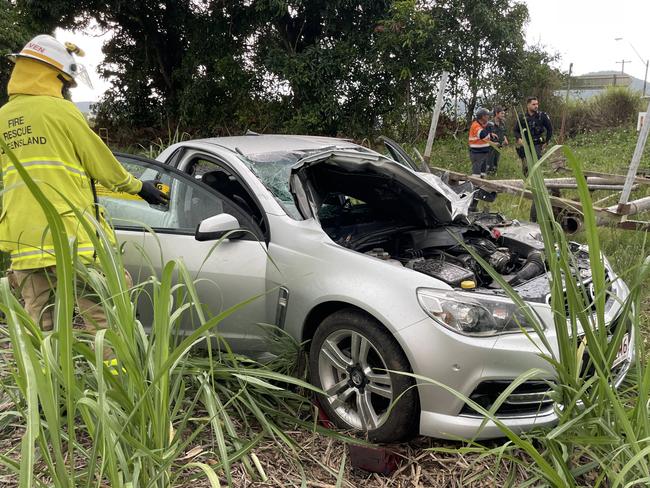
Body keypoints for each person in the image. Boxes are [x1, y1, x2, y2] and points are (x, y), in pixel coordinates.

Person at [0, 35, 168, 336]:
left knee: (39, 326)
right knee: (105, 319)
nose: (66, 89)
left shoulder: (2, 118)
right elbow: (101, 162)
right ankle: (116, 379)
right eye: (65, 82)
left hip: (24, 241)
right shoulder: (60, 111)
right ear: (52, 75)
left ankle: (46, 382)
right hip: (68, 236)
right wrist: (139, 187)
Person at [513, 96, 553, 176]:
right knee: (525, 167)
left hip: (537, 143)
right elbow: (515, 130)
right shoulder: (522, 117)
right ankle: (526, 182)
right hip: (525, 144)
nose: (536, 106)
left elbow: (550, 129)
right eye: (533, 104)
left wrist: (547, 141)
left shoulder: (542, 116)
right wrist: (519, 139)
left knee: (535, 165)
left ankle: (535, 181)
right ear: (528, 105)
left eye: (537, 104)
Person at [468, 107, 497, 178]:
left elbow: (484, 136)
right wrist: (487, 126)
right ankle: (474, 186)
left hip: (483, 152)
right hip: (477, 153)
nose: (489, 117)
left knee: (483, 174)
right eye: (487, 115)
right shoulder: (476, 126)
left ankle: (482, 187)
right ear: (483, 116)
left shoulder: (481, 125)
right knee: (476, 174)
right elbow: (482, 135)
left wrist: (490, 134)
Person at [486, 106, 508, 174]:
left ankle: (494, 177)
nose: (503, 115)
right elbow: (484, 138)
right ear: (496, 113)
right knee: (489, 166)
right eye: (502, 113)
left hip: (498, 147)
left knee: (495, 164)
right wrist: (493, 143)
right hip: (490, 149)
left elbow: (503, 132)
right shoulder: (489, 124)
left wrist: (505, 139)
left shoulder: (502, 123)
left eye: (504, 113)